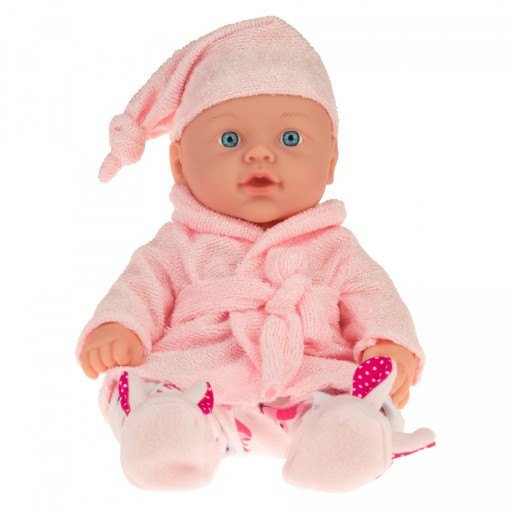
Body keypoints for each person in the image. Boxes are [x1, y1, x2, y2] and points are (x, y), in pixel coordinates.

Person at [77, 16, 434, 492]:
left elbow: (375, 298)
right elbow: (141, 287)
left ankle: (339, 442)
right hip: (198, 384)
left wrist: (390, 345)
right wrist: (119, 326)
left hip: (310, 384)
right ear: (179, 163)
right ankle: (171, 442)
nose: (260, 155)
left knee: (357, 400)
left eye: (290, 139)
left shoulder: (336, 247)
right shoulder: (178, 244)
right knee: (148, 393)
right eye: (230, 139)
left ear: (331, 161)